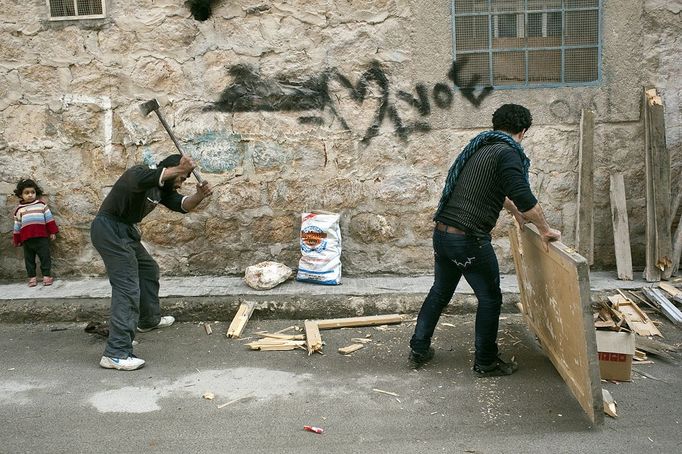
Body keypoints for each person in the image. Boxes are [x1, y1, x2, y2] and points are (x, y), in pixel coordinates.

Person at [409, 104, 561, 376]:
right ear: (523, 132)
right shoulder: (508, 153)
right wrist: (545, 229)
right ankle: (486, 362)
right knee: (490, 298)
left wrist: (515, 213)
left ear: (496, 125)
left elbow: (497, 193)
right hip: (469, 240)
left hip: (443, 234)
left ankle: (419, 347)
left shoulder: (481, 148)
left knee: (440, 292)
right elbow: (525, 198)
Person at [91, 154, 212, 371]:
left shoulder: (161, 189)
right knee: (127, 287)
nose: (181, 182)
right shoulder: (140, 173)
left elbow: (183, 205)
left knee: (148, 269)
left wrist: (199, 195)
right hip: (109, 229)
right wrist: (180, 169)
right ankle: (116, 353)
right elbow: (141, 179)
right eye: (182, 177)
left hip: (125, 231)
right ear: (171, 168)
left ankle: (148, 320)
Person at [13, 179, 60, 287]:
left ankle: (46, 276)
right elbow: (17, 226)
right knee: (29, 260)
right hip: (27, 240)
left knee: (45, 257)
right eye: (26, 193)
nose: (30, 195)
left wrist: (52, 232)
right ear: (21, 194)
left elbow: (49, 219)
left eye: (32, 192)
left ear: (36, 193)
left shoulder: (41, 205)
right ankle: (32, 278)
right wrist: (17, 239)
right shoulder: (19, 210)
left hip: (42, 238)